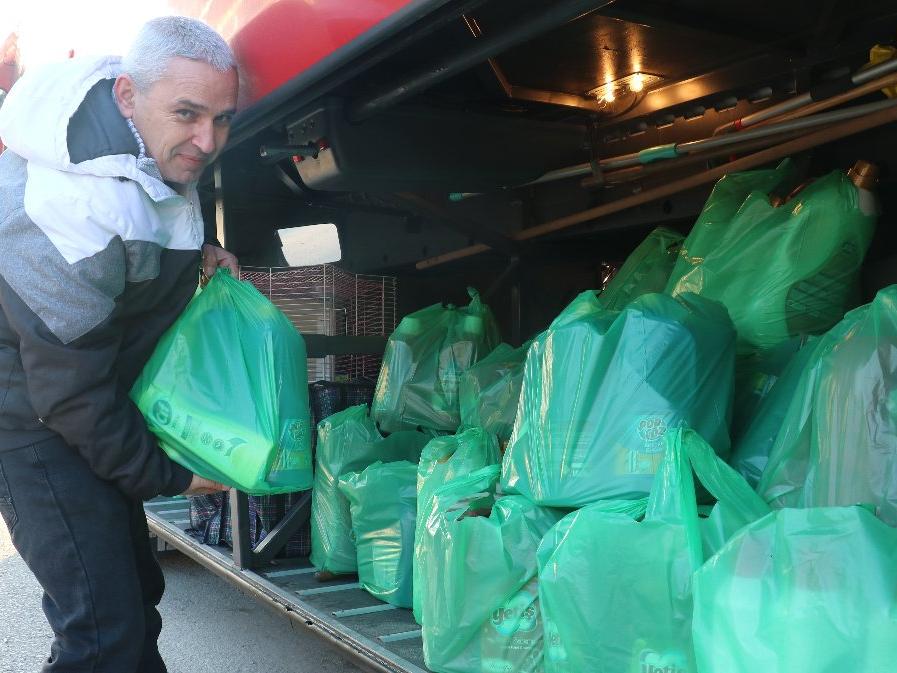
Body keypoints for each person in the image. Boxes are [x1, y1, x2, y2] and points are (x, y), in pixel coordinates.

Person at [0, 16, 240, 673]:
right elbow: (68, 392)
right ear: (127, 96)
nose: (207, 140)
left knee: (135, 600)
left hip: (77, 402)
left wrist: (201, 250)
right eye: (188, 114)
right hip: (30, 422)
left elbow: (150, 214)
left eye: (222, 119)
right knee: (103, 633)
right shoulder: (61, 211)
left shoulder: (144, 142)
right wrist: (171, 476)